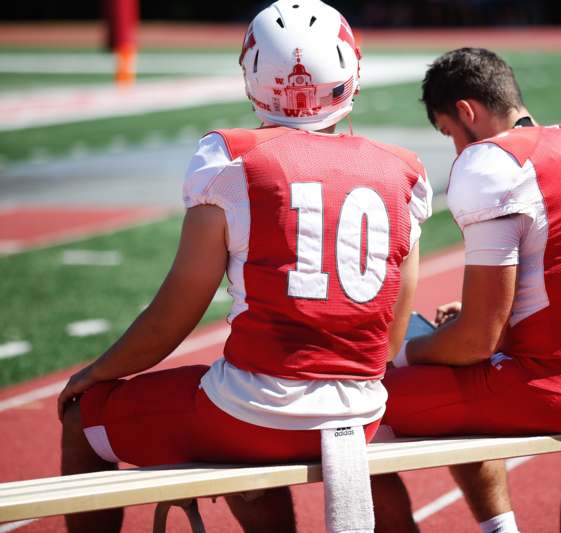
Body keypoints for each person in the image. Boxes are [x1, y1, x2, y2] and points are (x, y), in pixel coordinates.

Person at [56, 1, 432, 531]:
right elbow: (390, 340)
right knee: (244, 417)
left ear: (254, 75)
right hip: (360, 414)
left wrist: (97, 373)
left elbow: (176, 312)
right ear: (349, 73)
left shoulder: (230, 159)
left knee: (83, 418)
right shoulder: (405, 172)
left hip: (253, 413)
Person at [371, 48, 561, 533]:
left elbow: (478, 341)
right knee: (452, 357)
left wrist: (407, 355)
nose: (458, 150)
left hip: (554, 386)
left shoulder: (493, 164)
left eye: (450, 135)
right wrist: (502, 314)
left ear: (466, 112)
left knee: (352, 406)